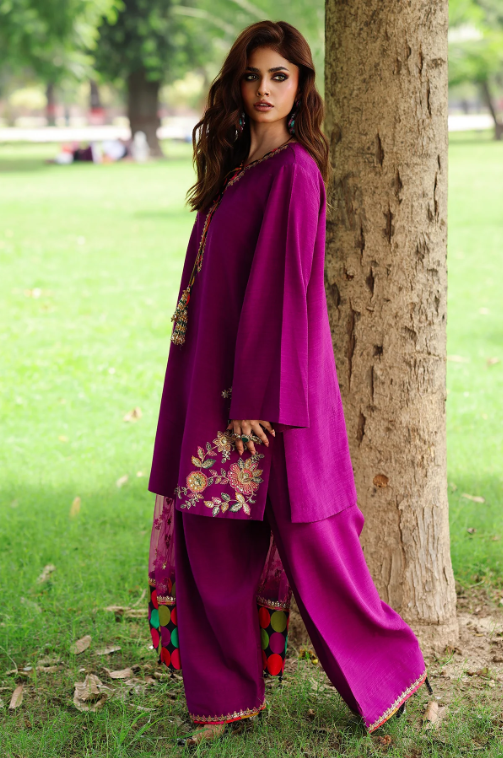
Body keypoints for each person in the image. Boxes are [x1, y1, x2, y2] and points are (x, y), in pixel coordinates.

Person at [146, 19, 430, 748]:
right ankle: (224, 698)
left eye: (280, 75)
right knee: (209, 535)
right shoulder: (234, 169)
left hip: (271, 400)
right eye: (252, 76)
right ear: (235, 86)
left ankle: (391, 672)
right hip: (209, 383)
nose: (265, 89)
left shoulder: (295, 172)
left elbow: (284, 293)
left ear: (302, 84)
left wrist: (256, 398)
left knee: (314, 540)